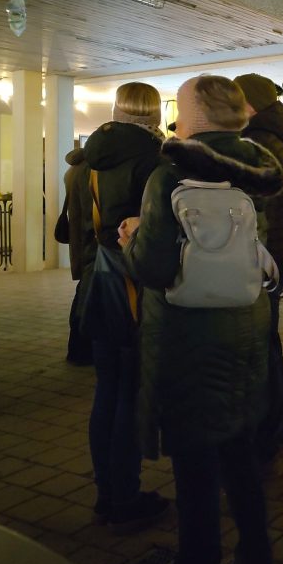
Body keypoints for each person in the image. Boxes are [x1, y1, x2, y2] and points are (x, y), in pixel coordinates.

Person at [121, 75, 283, 564]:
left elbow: (155, 268)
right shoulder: (266, 172)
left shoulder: (171, 173)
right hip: (247, 324)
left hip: (191, 335)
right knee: (239, 450)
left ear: (194, 112)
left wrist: (132, 238)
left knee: (195, 468)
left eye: (181, 103)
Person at [81, 82, 168, 531]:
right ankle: (125, 495)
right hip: (134, 287)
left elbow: (78, 224)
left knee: (106, 389)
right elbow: (156, 232)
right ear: (154, 112)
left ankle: (105, 492)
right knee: (131, 394)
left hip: (101, 282)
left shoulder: (91, 158)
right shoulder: (154, 161)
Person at [233, 74, 283, 460]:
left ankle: (268, 429)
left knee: (261, 343)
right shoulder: (267, 140)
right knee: (266, 340)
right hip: (275, 252)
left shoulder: (256, 143)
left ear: (250, 105)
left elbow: (254, 201)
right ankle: (273, 425)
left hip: (264, 254)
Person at [54, 145, 93, 365]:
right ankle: (80, 351)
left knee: (83, 294)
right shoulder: (89, 170)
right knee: (86, 297)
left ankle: (77, 350)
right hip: (89, 242)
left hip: (80, 241)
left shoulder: (74, 168)